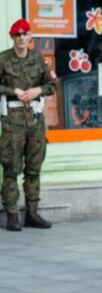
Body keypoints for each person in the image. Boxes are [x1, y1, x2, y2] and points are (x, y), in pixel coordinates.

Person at [1, 19, 56, 231]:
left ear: (30, 36)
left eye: (25, 35)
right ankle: (12, 215)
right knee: (11, 168)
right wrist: (12, 91)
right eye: (17, 35)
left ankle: (32, 213)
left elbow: (52, 84)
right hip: (12, 121)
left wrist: (38, 91)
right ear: (12, 37)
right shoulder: (3, 59)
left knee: (34, 168)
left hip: (34, 119)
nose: (22, 38)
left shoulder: (37, 59)